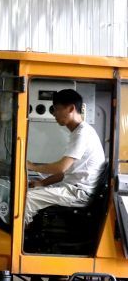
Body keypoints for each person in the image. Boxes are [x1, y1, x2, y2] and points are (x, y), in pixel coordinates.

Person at [24, 88, 106, 226]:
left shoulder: (82, 134)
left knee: (25, 199)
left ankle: (19, 236)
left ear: (71, 108)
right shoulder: (79, 132)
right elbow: (65, 172)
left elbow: (61, 168)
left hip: (79, 193)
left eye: (56, 109)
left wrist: (30, 166)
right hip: (74, 188)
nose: (54, 113)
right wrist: (42, 183)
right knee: (30, 190)